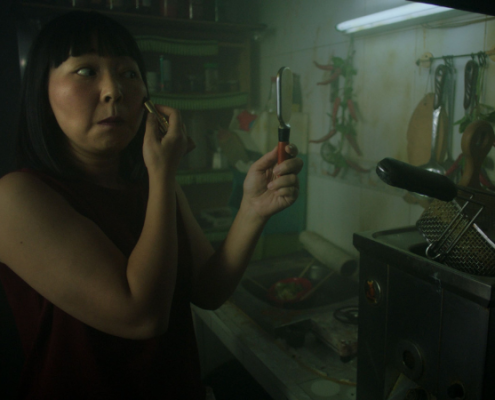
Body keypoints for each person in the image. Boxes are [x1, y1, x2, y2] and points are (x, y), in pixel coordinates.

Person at [0, 10, 303, 400]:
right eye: (86, 71)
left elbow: (207, 289)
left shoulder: (153, 183)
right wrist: (162, 173)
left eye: (128, 73)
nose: (114, 91)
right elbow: (142, 316)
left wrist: (252, 210)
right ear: (41, 91)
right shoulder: (16, 197)